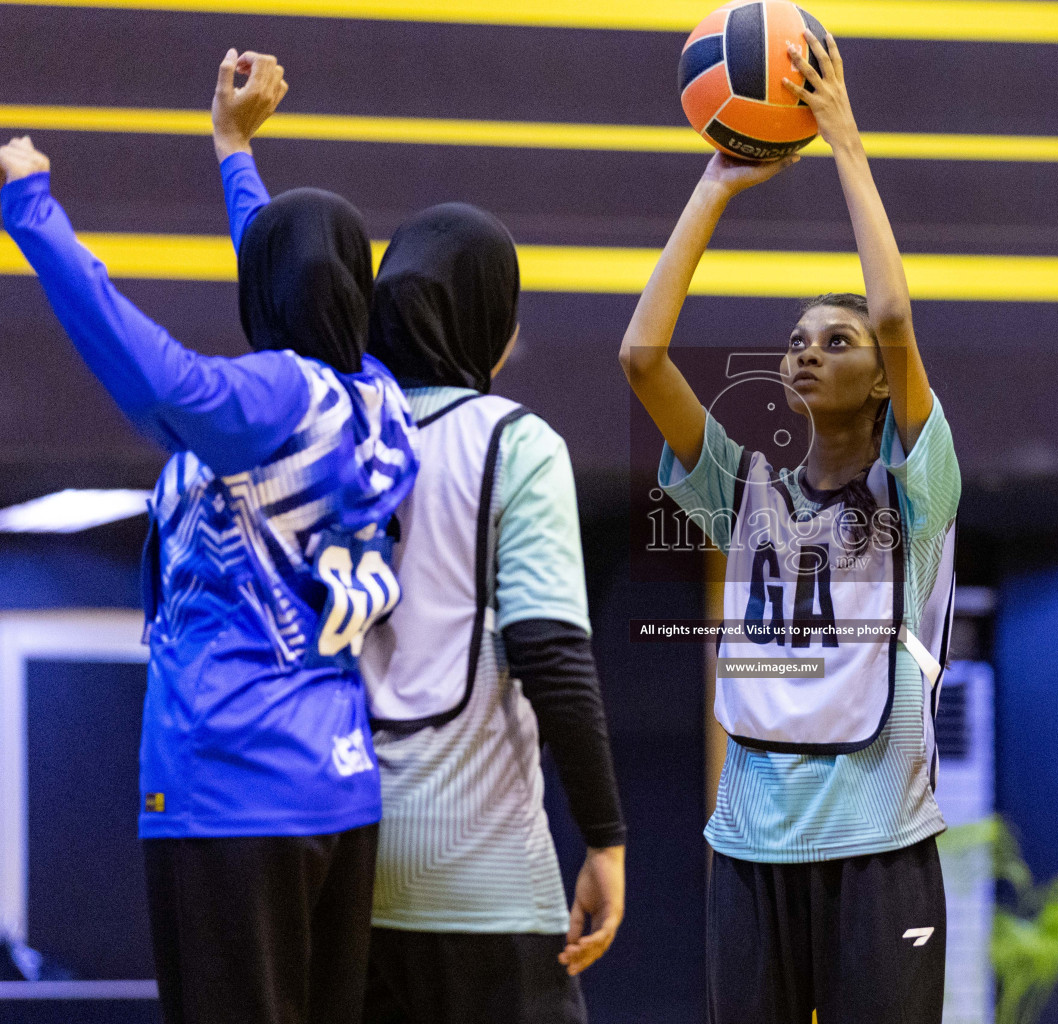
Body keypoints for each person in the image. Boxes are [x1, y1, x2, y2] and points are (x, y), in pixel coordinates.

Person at [0, 49, 417, 1024]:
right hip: (337, 791)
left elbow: (153, 374)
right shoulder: (374, 398)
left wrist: (33, 212)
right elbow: (293, 275)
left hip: (232, 788)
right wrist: (233, 150)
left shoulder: (268, 402)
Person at [620, 28, 958, 1024]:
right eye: (799, 341)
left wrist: (845, 142)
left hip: (881, 847)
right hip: (748, 847)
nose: (809, 353)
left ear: (880, 375)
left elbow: (897, 315)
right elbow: (643, 354)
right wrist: (716, 186)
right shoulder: (744, 488)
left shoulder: (918, 491)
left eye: (837, 340)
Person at [354, 201, 627, 1022]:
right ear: (482, 319)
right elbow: (549, 651)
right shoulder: (516, 441)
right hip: (480, 875)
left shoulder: (332, 430)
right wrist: (605, 838)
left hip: (340, 863)